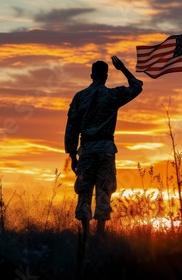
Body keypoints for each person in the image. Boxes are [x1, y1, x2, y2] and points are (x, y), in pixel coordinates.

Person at [64, 55, 143, 240]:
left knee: (84, 191)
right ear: (106, 76)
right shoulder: (112, 96)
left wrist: (72, 155)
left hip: (87, 149)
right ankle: (100, 231)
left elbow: (71, 128)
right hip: (106, 149)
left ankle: (84, 233)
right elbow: (137, 86)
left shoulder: (80, 97)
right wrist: (122, 68)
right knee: (104, 189)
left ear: (91, 75)